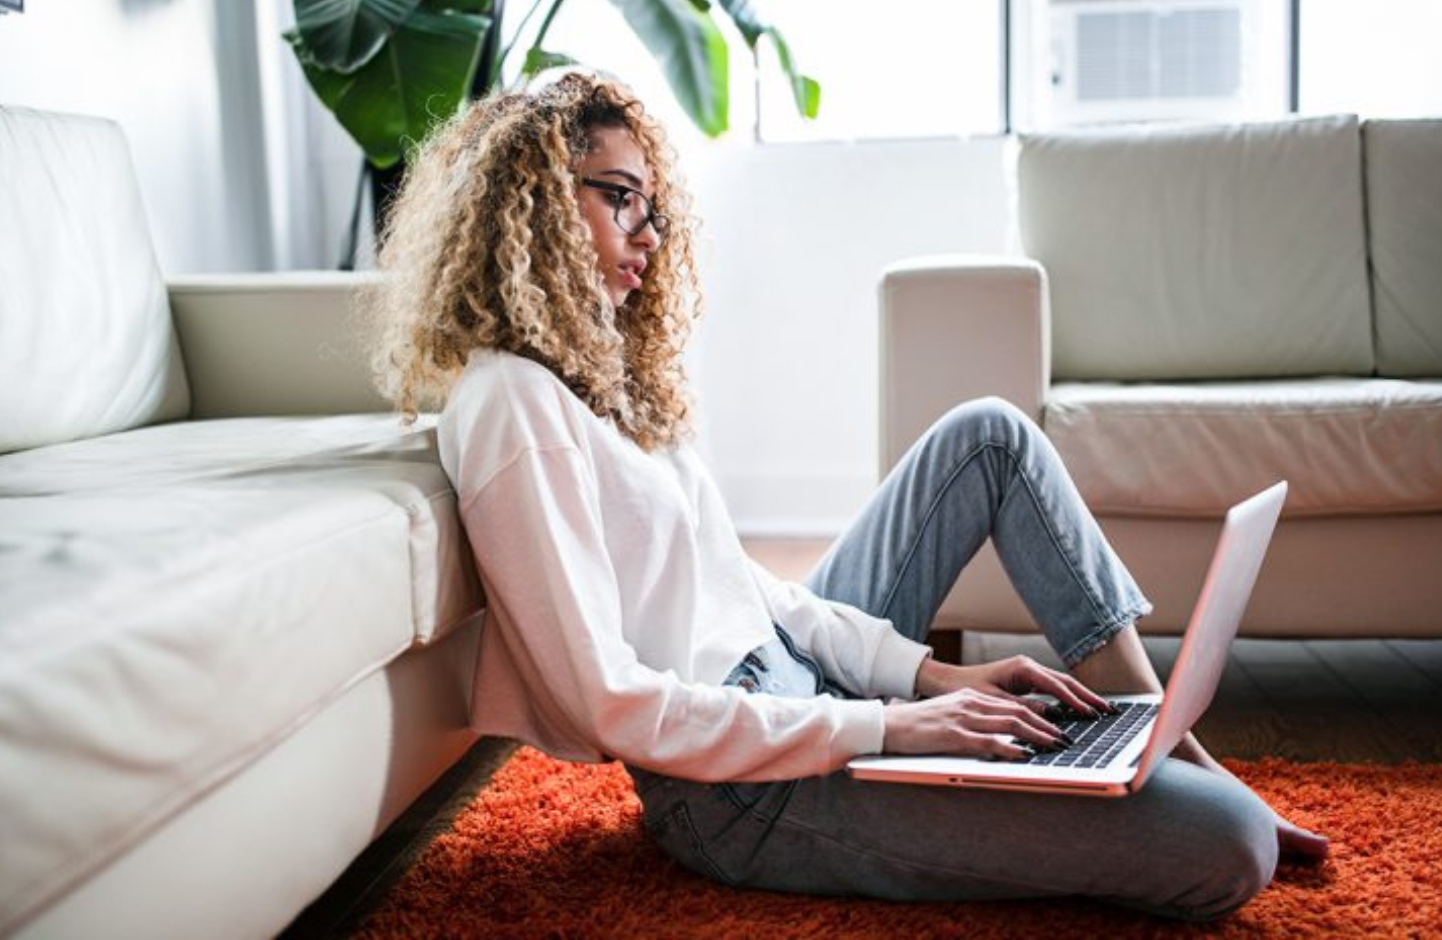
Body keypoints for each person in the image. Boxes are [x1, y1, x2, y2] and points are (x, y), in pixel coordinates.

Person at [368, 71, 1327, 921]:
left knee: (987, 434)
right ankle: (1173, 775)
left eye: (652, 208)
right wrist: (886, 726)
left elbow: (747, 590)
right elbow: (612, 703)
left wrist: (926, 678)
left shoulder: (598, 378)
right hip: (736, 791)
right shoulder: (511, 404)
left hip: (793, 684)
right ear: (530, 203)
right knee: (1230, 845)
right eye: (620, 199)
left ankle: (1161, 735)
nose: (648, 236)